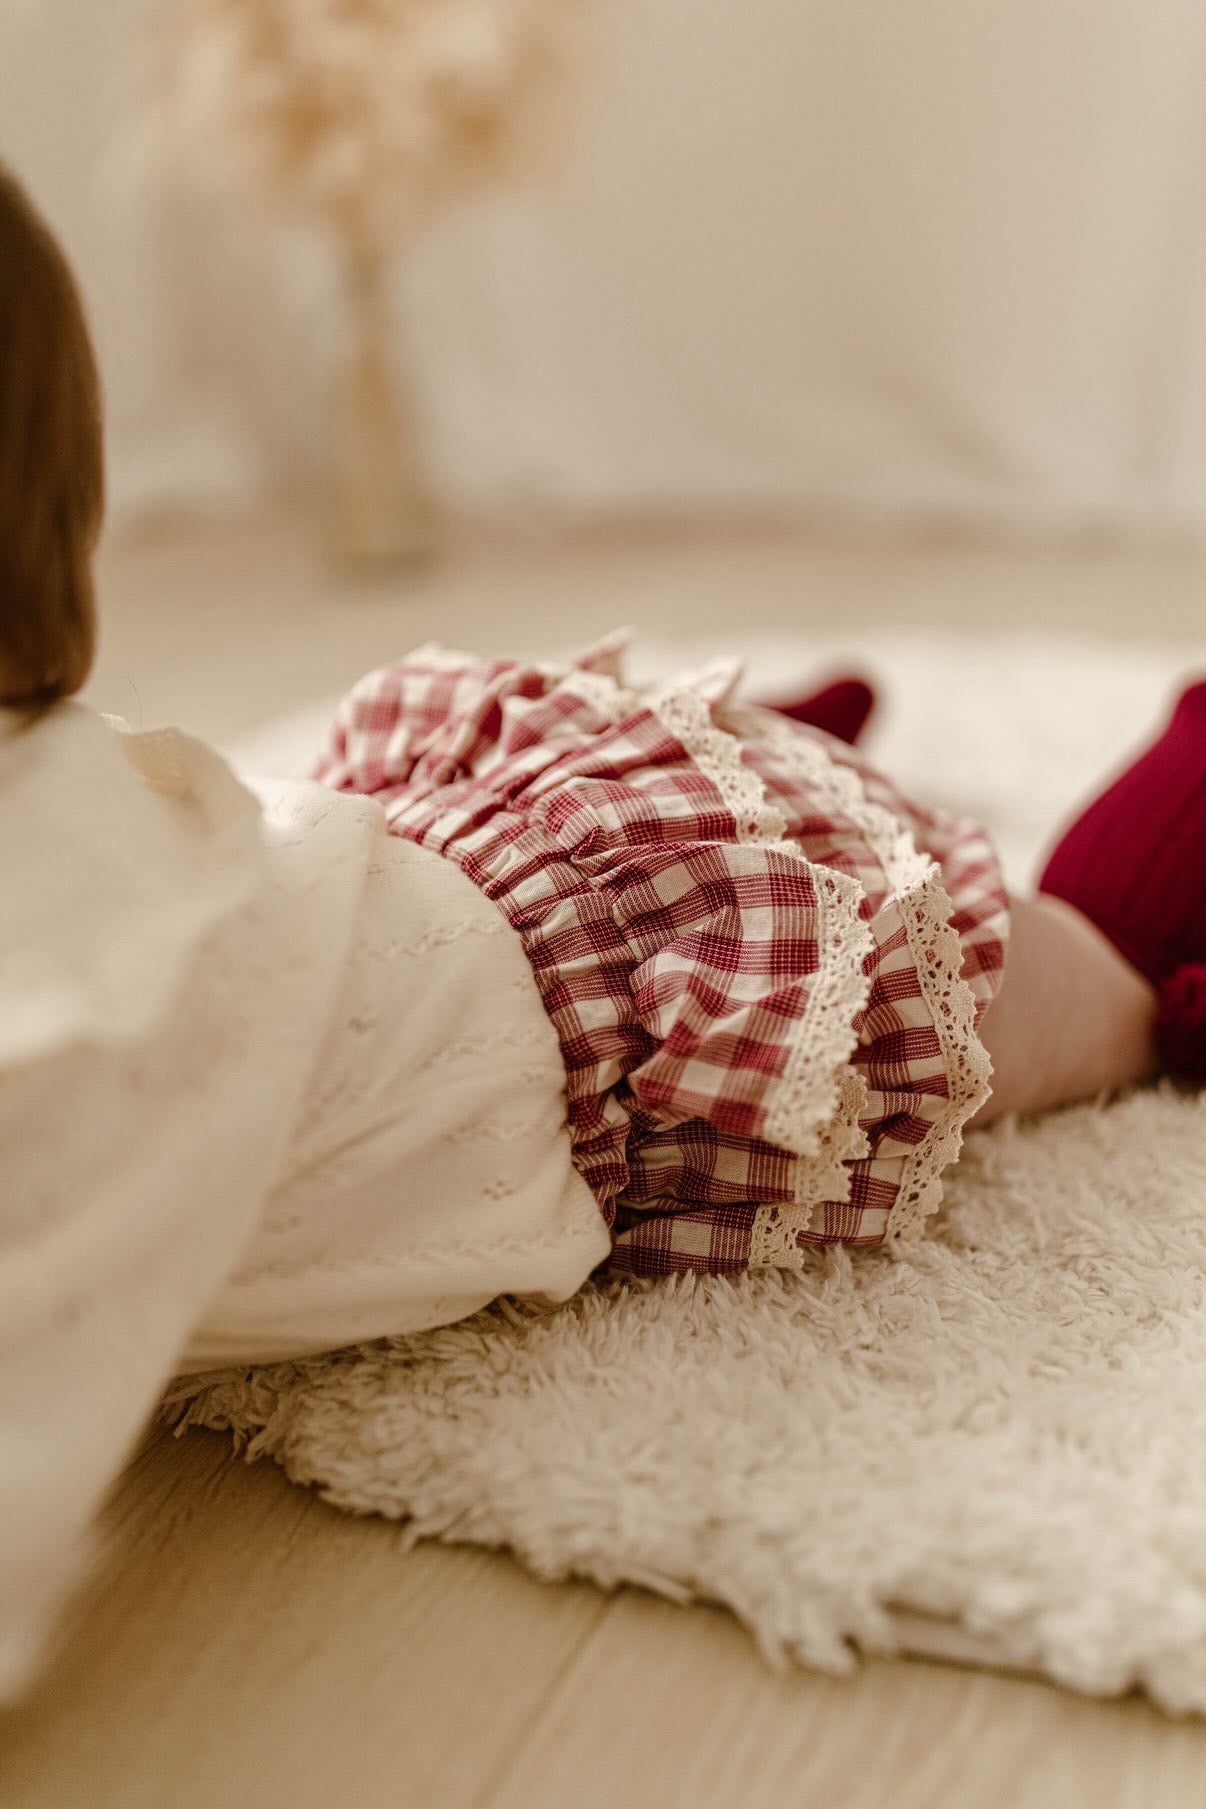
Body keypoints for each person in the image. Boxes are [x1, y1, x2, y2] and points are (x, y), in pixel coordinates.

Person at [0, 161, 1201, 1695]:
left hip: (621, 987)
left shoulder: (62, 1001)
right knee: (715, 818)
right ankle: (749, 757)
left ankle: (910, 784)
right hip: (416, 863)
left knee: (1085, 985)